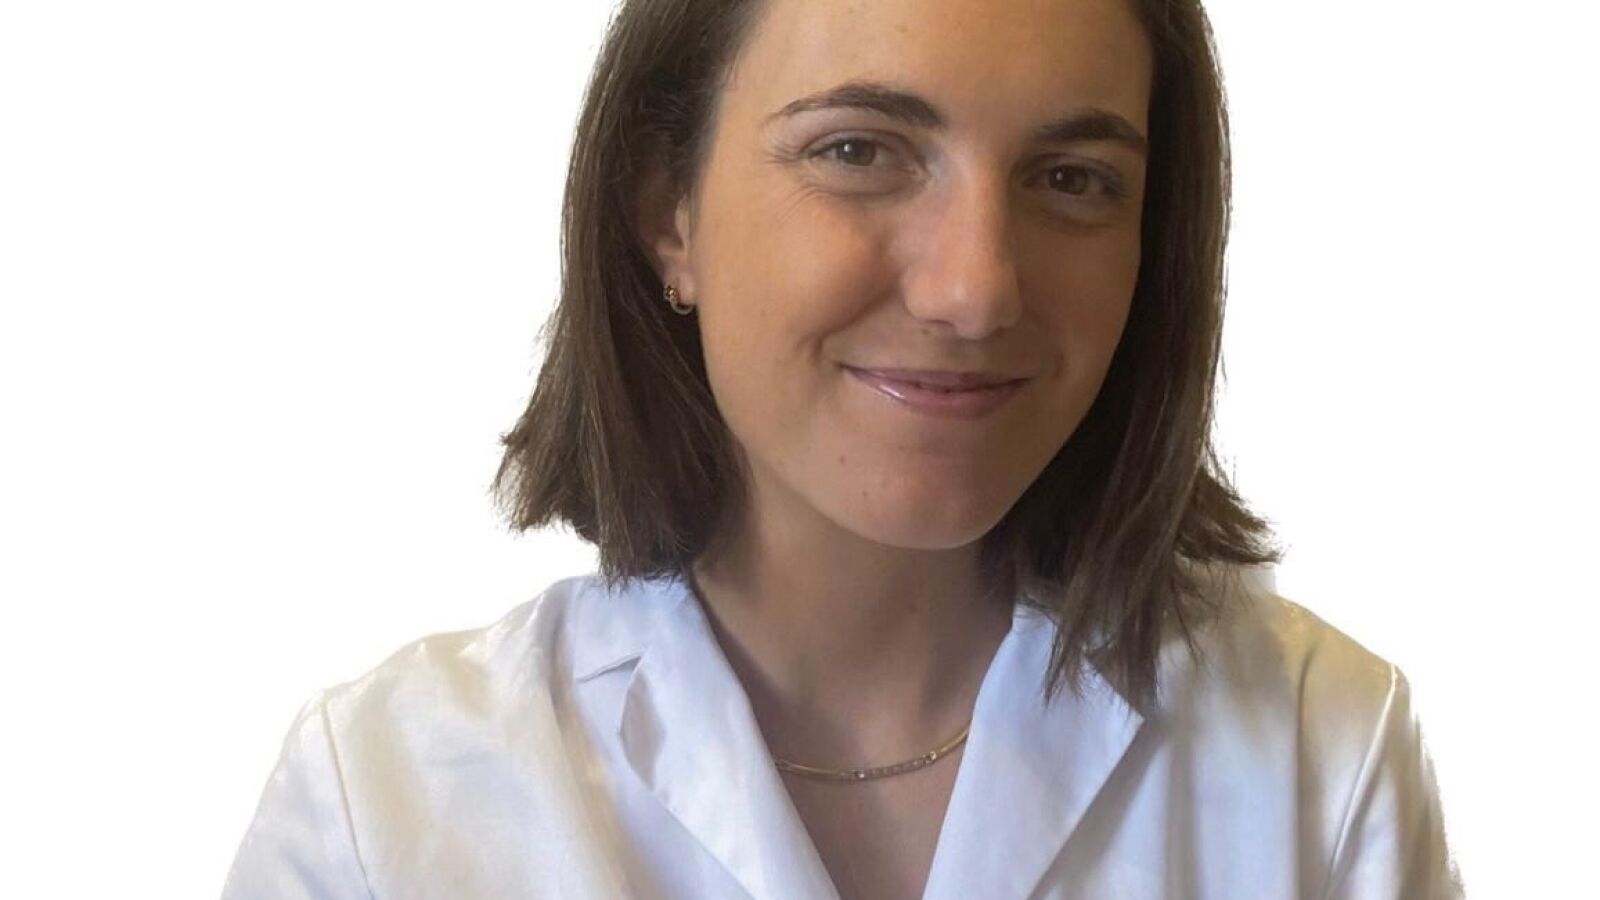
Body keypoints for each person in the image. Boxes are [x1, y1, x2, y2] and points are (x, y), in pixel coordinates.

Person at [221, 0, 1464, 897]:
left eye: (1073, 178)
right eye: (858, 151)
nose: (975, 289)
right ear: (667, 213)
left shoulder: (1321, 753)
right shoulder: (385, 803)